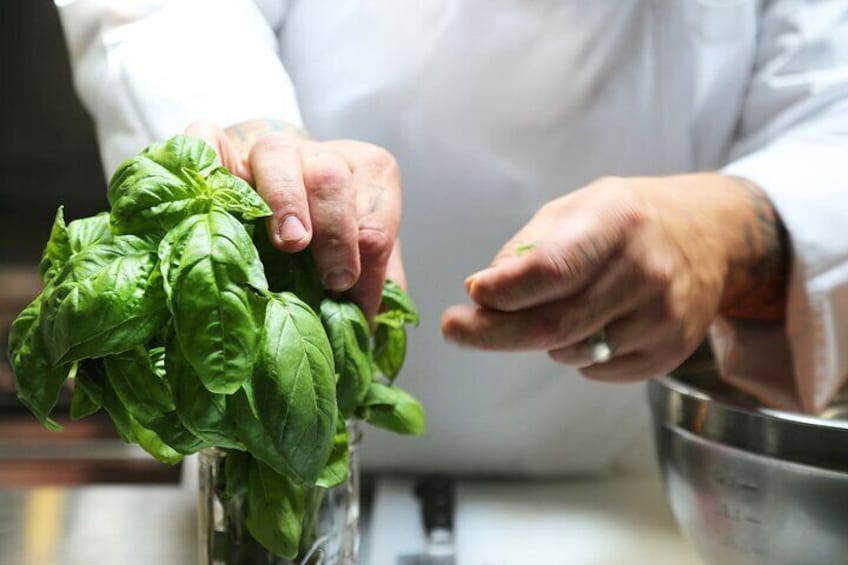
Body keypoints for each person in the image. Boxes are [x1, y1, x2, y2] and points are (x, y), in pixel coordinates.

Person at [55, 0, 848, 476]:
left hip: (626, 488)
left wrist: (735, 228)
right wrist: (257, 143)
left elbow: (834, 114)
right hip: (267, 477)